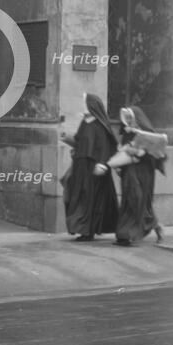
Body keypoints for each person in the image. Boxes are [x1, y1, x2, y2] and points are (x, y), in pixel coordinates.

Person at [103, 106, 165, 246]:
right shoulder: (127, 133)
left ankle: (149, 227)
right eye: (127, 118)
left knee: (136, 200)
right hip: (128, 172)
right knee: (129, 201)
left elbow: (154, 155)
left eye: (131, 117)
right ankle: (125, 235)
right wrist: (120, 164)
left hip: (142, 173)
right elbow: (123, 152)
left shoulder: (147, 133)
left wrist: (138, 153)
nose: (129, 120)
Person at [61, 93, 119, 241]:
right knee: (78, 197)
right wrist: (67, 138)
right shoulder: (84, 123)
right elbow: (80, 142)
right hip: (80, 167)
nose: (82, 105)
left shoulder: (100, 125)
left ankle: (88, 231)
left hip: (94, 168)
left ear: (91, 106)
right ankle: (82, 228)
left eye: (84, 102)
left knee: (90, 198)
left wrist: (102, 164)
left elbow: (105, 147)